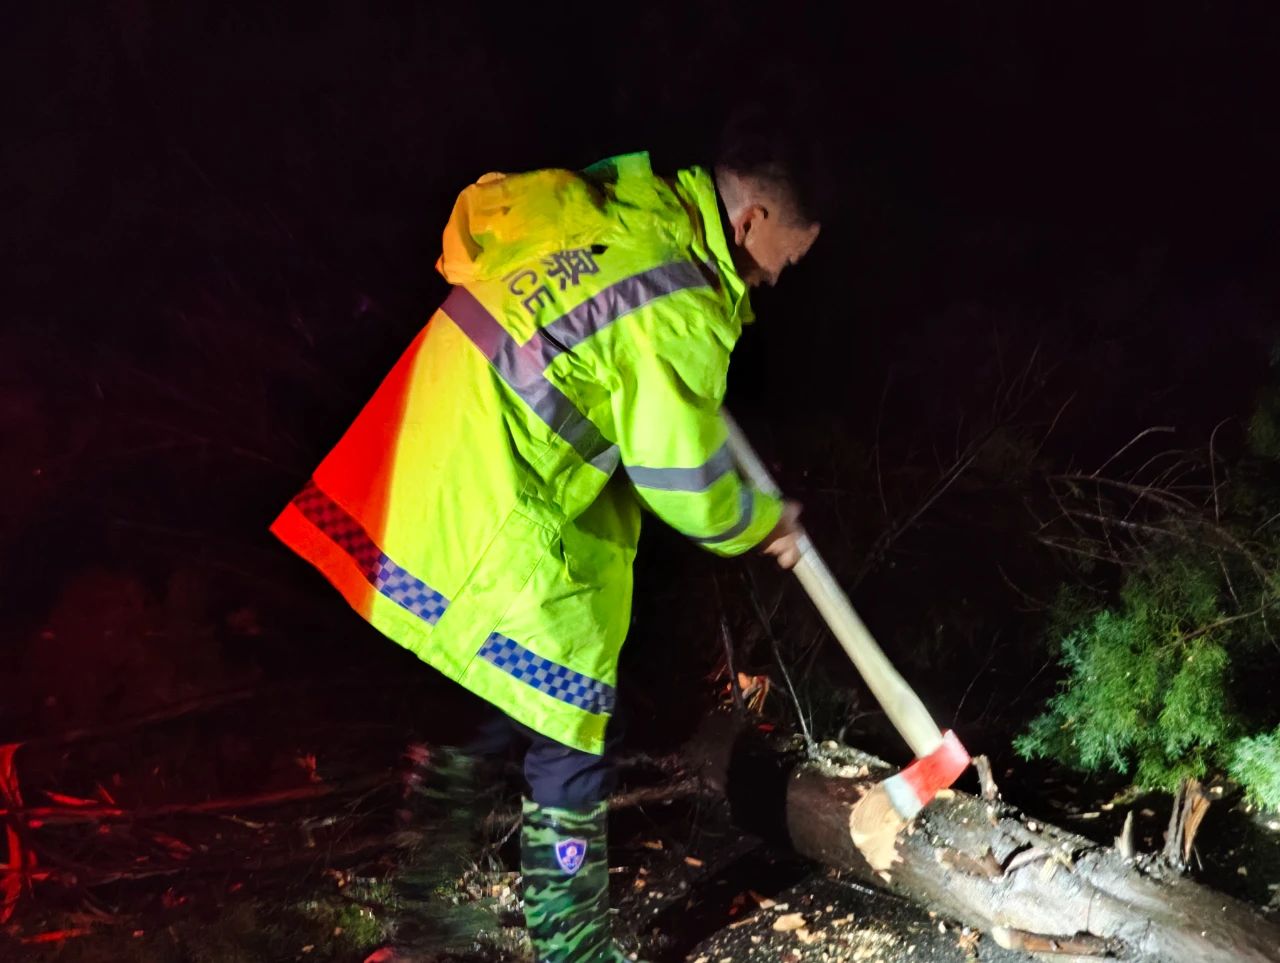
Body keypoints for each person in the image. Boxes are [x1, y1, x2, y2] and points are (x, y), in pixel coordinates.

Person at [270, 109, 824, 962]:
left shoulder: (606, 207)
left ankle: (421, 921)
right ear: (752, 219)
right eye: (795, 247)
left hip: (420, 462)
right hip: (503, 495)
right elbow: (683, 482)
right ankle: (571, 947)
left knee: (483, 695)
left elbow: (471, 227)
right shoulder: (682, 300)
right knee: (570, 719)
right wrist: (761, 523)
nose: (786, 274)